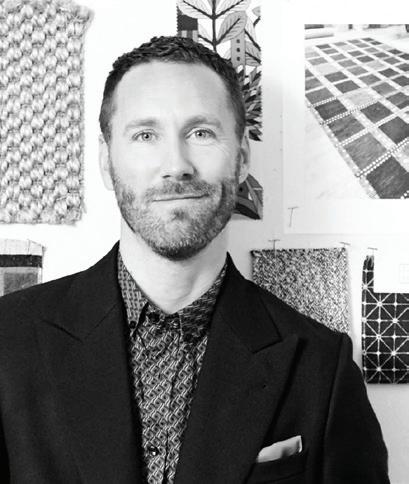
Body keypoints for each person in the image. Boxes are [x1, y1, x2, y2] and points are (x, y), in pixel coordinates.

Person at [0, 36, 389, 484]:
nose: (176, 164)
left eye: (201, 133)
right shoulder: (7, 341)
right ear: (107, 162)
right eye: (145, 135)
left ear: (241, 157)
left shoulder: (323, 365)